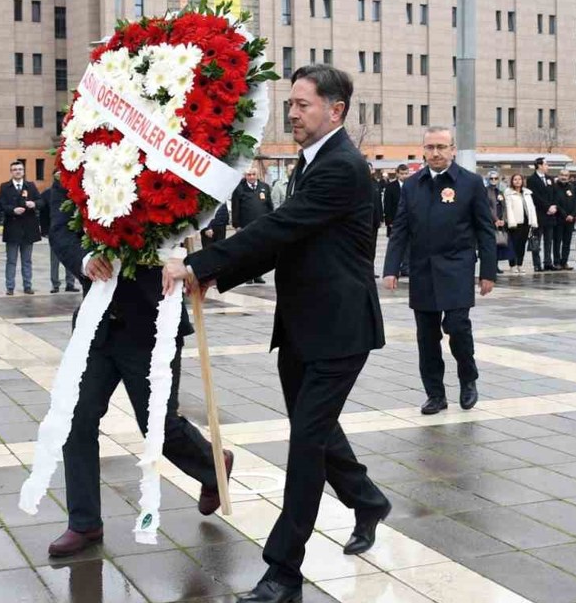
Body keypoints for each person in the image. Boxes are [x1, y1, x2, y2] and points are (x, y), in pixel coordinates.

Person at [166, 65, 391, 603]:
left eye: (302, 104)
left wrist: (201, 265)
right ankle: (367, 500)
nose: (291, 113)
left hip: (340, 330)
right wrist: (218, 273)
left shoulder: (343, 167)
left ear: (335, 111)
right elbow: (291, 240)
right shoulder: (311, 163)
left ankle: (283, 571)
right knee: (317, 430)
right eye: (289, 104)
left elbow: (280, 227)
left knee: (307, 445)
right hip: (301, 326)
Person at [43, 180, 232, 559]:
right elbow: (60, 223)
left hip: (151, 316)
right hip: (98, 320)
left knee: (158, 425)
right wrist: (83, 259)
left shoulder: (159, 156)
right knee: (75, 420)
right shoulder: (84, 158)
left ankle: (214, 466)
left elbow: (193, 210)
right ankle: (83, 523)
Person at [384, 125, 496, 414]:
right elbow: (400, 230)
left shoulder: (470, 183)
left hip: (458, 267)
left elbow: (485, 230)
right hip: (422, 269)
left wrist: (488, 272)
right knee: (427, 336)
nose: (435, 152)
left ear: (453, 150)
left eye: (441, 147)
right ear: (423, 150)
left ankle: (468, 377)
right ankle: (435, 394)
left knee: (458, 327)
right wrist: (391, 268)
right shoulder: (411, 185)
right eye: (430, 147)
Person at [0, 161, 41, 295]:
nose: (18, 171)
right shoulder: (5, 187)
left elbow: (41, 201)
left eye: (20, 169)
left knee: (27, 260)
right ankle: (10, 287)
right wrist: (13, 210)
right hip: (12, 228)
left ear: (23, 171)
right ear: (11, 172)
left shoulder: (31, 186)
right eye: (15, 169)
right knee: (11, 260)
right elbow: (1, 205)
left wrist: (33, 203)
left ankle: (27, 285)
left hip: (28, 228)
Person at [230, 168, 275, 283]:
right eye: (249, 175)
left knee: (260, 252)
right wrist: (236, 225)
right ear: (245, 176)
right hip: (246, 226)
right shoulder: (239, 189)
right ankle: (247, 276)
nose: (251, 177)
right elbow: (235, 208)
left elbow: (270, 206)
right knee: (247, 252)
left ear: (257, 175)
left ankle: (258, 275)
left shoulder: (264, 187)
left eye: (253, 174)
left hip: (262, 226)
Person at [39, 180, 79, 294]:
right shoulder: (48, 193)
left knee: (72, 258)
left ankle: (70, 283)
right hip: (54, 232)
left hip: (71, 231)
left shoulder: (71, 192)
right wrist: (45, 230)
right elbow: (43, 213)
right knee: (54, 260)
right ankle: (55, 284)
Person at [527, 158, 559, 271]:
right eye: (546, 164)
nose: (547, 166)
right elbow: (535, 196)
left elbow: (555, 194)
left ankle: (548, 262)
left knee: (548, 240)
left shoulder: (550, 179)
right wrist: (547, 207)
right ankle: (537, 263)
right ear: (539, 166)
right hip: (539, 214)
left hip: (550, 215)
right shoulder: (532, 180)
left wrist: (554, 206)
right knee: (537, 240)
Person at [504, 173, 537, 274]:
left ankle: (520, 264)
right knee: (513, 244)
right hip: (514, 222)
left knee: (522, 245)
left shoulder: (527, 193)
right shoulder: (508, 192)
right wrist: (511, 222)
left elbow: (531, 208)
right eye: (515, 179)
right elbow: (508, 208)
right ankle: (512, 265)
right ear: (512, 181)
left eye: (519, 179)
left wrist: (533, 221)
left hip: (526, 222)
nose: (517, 181)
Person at [553, 168, 576, 270]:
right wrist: (564, 215)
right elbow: (555, 203)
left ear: (569, 177)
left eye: (566, 175)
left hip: (570, 220)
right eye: (562, 175)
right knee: (557, 242)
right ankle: (557, 262)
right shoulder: (554, 187)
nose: (563, 177)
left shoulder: (572, 187)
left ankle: (564, 262)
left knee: (567, 242)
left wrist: (572, 215)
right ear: (558, 175)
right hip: (559, 219)